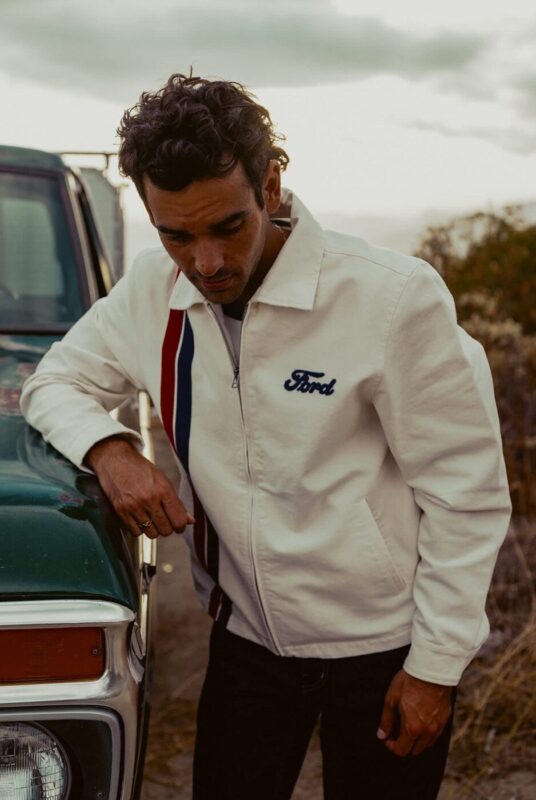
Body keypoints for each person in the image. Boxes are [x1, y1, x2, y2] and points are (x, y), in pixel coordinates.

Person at [21, 73, 512, 799]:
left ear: (271, 185)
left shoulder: (391, 298)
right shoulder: (153, 292)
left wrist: (436, 668)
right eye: (176, 235)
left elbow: (464, 496)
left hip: (382, 650)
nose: (207, 263)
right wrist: (111, 449)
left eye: (228, 227)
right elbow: (52, 383)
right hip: (248, 645)